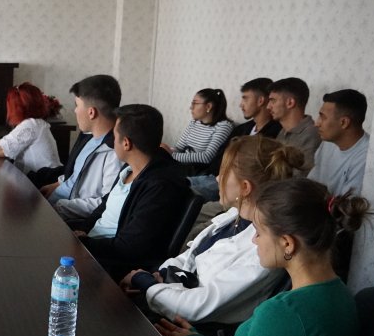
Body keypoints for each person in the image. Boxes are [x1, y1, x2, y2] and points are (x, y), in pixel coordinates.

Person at [155, 178, 371, 336]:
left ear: (287, 243)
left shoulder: (286, 313)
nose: (254, 241)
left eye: (258, 232)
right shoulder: (340, 293)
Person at [120, 136, 305, 324]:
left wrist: (145, 282)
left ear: (244, 187)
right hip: (166, 300)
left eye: (223, 172)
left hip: (185, 329)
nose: (217, 178)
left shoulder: (263, 250)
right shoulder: (233, 216)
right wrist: (156, 276)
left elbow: (195, 307)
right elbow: (188, 257)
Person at [72, 104, 191, 280]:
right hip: (92, 249)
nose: (112, 141)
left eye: (114, 136)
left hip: (108, 265)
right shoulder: (128, 169)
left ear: (126, 143)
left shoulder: (160, 186)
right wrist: (81, 230)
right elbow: (104, 207)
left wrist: (81, 243)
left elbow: (130, 247)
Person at [38, 75, 123, 224]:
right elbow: (76, 174)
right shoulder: (88, 137)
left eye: (77, 105)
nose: (75, 111)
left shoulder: (114, 153)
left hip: (66, 216)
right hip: (55, 204)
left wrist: (59, 208)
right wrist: (56, 185)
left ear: (91, 112)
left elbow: (107, 203)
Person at [190, 78, 283, 201]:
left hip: (235, 186)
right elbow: (221, 155)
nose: (241, 104)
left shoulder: (275, 133)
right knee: (173, 183)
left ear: (260, 101)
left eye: (245, 98)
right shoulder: (242, 129)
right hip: (213, 177)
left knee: (180, 191)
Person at [309, 89, 370, 196]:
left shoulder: (366, 157)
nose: (316, 123)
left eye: (322, 117)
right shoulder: (328, 142)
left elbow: (348, 204)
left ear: (344, 122)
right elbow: (311, 183)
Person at [163, 88, 234, 171]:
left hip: (198, 170)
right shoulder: (194, 122)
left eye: (195, 103)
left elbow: (207, 157)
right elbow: (179, 147)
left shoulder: (224, 126)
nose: (191, 107)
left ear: (208, 106)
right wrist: (166, 150)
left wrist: (172, 155)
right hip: (182, 165)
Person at [268, 77, 320, 175]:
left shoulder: (312, 134)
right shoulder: (282, 131)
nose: (268, 106)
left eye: (273, 101)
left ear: (290, 103)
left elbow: (302, 177)